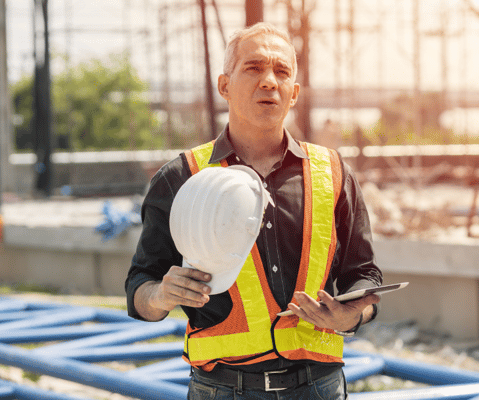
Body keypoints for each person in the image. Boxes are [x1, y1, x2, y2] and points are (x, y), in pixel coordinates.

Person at [125, 22, 382, 399]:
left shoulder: (334, 173)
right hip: (223, 389)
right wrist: (161, 295)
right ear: (224, 85)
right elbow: (139, 289)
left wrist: (353, 314)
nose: (268, 81)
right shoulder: (182, 178)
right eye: (253, 67)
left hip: (319, 387)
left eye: (281, 71)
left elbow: (365, 275)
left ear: (293, 93)